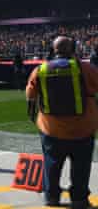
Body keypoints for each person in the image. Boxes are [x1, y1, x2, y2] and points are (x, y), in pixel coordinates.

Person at [26, 36, 98, 208]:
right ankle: (79, 199)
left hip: (51, 129)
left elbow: (30, 96)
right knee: (81, 167)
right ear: (73, 50)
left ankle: (51, 198)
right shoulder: (86, 68)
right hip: (82, 128)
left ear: (53, 50)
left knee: (51, 165)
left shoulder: (40, 70)